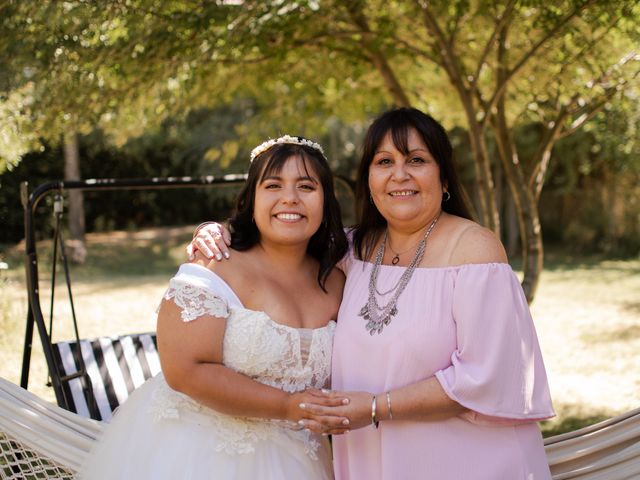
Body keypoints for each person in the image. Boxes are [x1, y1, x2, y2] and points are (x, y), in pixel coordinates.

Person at [191, 108, 555, 479]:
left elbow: (488, 375)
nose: (400, 174)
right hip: (372, 458)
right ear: (369, 179)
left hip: (466, 460)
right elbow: (283, 232)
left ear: (444, 177)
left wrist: (379, 407)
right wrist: (216, 230)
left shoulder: (476, 252)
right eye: (384, 161)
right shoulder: (351, 250)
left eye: (416, 160)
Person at [79, 135, 351, 480]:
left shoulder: (340, 280)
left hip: (300, 458)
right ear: (251, 199)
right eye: (273, 185)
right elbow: (185, 371)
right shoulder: (215, 265)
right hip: (197, 455)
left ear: (326, 201)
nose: (290, 199)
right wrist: (287, 406)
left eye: (307, 187)